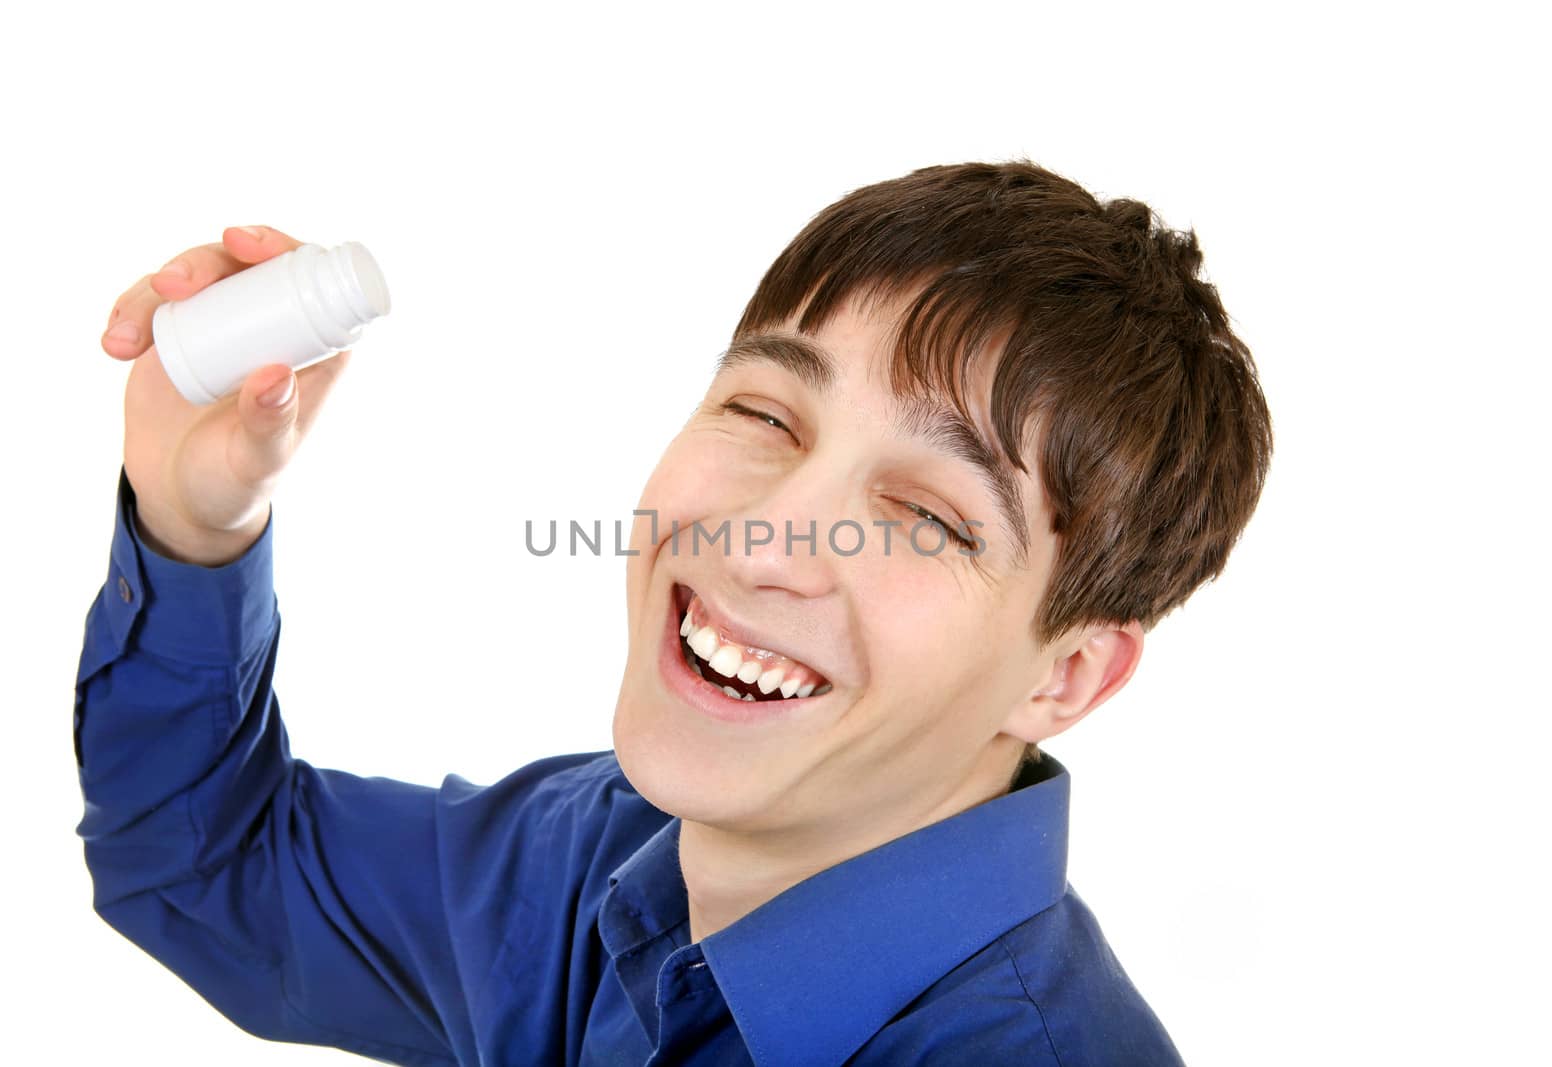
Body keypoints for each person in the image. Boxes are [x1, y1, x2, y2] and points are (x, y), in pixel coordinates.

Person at [76, 160, 1272, 1065]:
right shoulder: (588, 854)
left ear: (1063, 676)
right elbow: (208, 870)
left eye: (925, 514)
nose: (761, 540)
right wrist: (196, 523)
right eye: (765, 417)